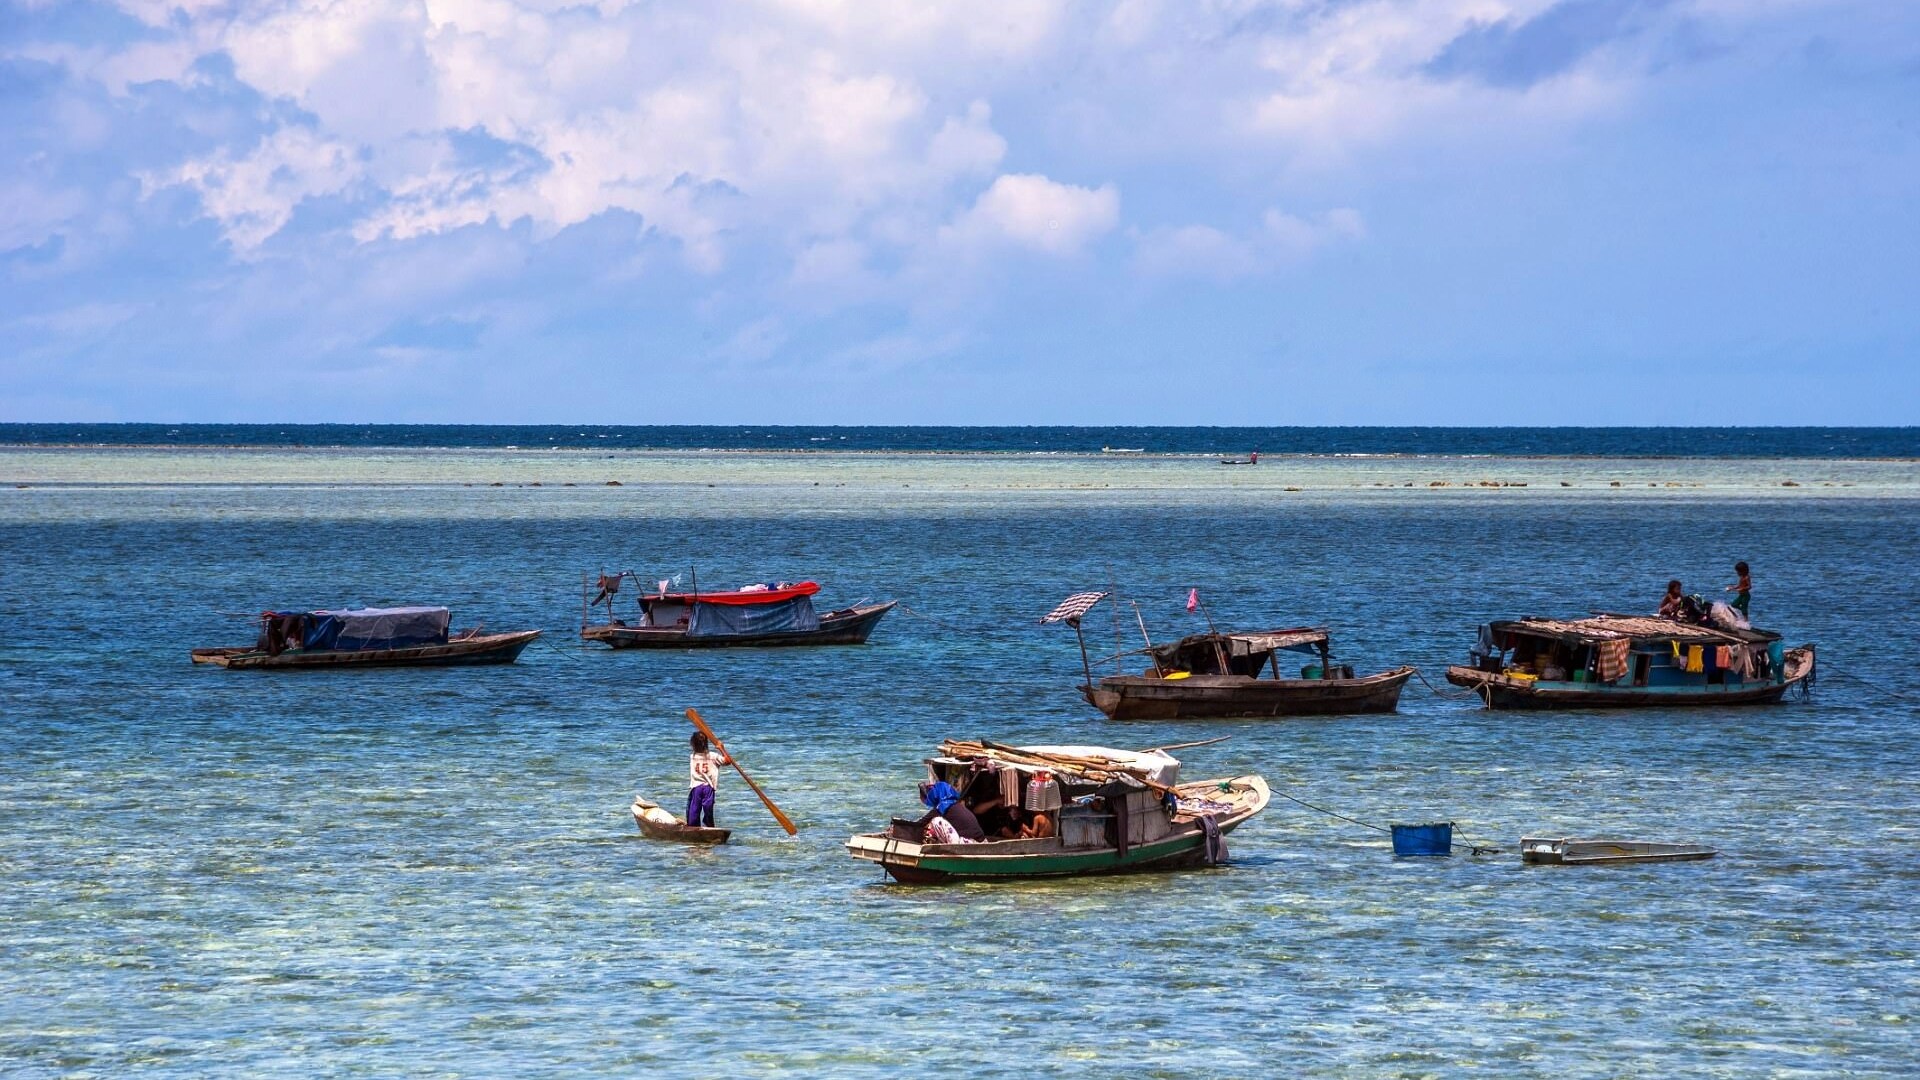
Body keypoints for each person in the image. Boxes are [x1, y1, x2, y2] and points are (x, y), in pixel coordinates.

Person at [687, 732, 730, 828]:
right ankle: (699, 826)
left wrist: (720, 748)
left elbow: (727, 762)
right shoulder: (709, 756)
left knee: (701, 808)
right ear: (706, 744)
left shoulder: (696, 756)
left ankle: (701, 825)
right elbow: (728, 761)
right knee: (702, 809)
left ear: (693, 745)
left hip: (703, 787)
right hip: (702, 787)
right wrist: (721, 748)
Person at [918, 780, 985, 841]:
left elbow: (920, 823)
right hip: (980, 840)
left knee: (936, 821)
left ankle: (951, 848)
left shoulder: (941, 808)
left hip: (969, 843)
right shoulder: (956, 804)